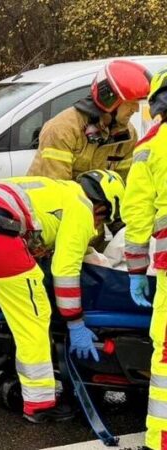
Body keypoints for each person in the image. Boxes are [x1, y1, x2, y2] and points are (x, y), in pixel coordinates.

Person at [0, 170, 126, 423]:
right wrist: (75, 321)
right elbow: (65, 271)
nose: (98, 225)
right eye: (102, 219)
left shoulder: (56, 188)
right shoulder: (81, 207)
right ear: (104, 205)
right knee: (32, 317)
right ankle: (40, 404)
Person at [121, 68, 167, 450]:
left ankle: (159, 442)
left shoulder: (152, 145)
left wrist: (136, 269)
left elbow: (137, 215)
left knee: (165, 352)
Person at [27, 60, 151, 181]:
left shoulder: (128, 135)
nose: (136, 109)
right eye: (130, 103)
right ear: (109, 99)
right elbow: (55, 190)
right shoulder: (62, 130)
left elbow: (125, 184)